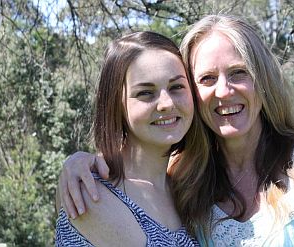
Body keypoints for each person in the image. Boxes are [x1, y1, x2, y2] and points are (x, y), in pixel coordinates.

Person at [57, 15, 294, 246]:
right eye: (207, 79)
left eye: (239, 73)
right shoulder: (185, 180)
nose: (224, 91)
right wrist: (81, 163)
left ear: (262, 80)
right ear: (195, 92)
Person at [55, 31, 208, 246]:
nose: (167, 103)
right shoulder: (92, 194)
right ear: (116, 103)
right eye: (145, 93)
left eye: (176, 87)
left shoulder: (183, 189)